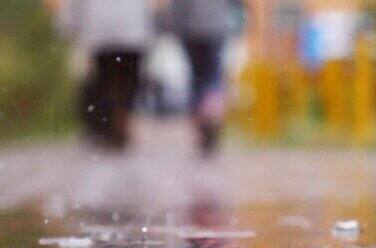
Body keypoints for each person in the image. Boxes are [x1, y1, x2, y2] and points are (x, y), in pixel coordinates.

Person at [48, 0, 155, 149]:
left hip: (101, 36)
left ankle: (111, 123)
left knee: (106, 82)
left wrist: (68, 27)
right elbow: (148, 8)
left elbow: (75, 8)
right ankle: (120, 116)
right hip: (132, 34)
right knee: (128, 83)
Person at [168, 0, 243, 157]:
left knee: (197, 79)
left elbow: (177, 6)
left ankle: (201, 124)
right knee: (213, 77)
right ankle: (211, 116)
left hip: (191, 29)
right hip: (216, 27)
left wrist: (176, 26)